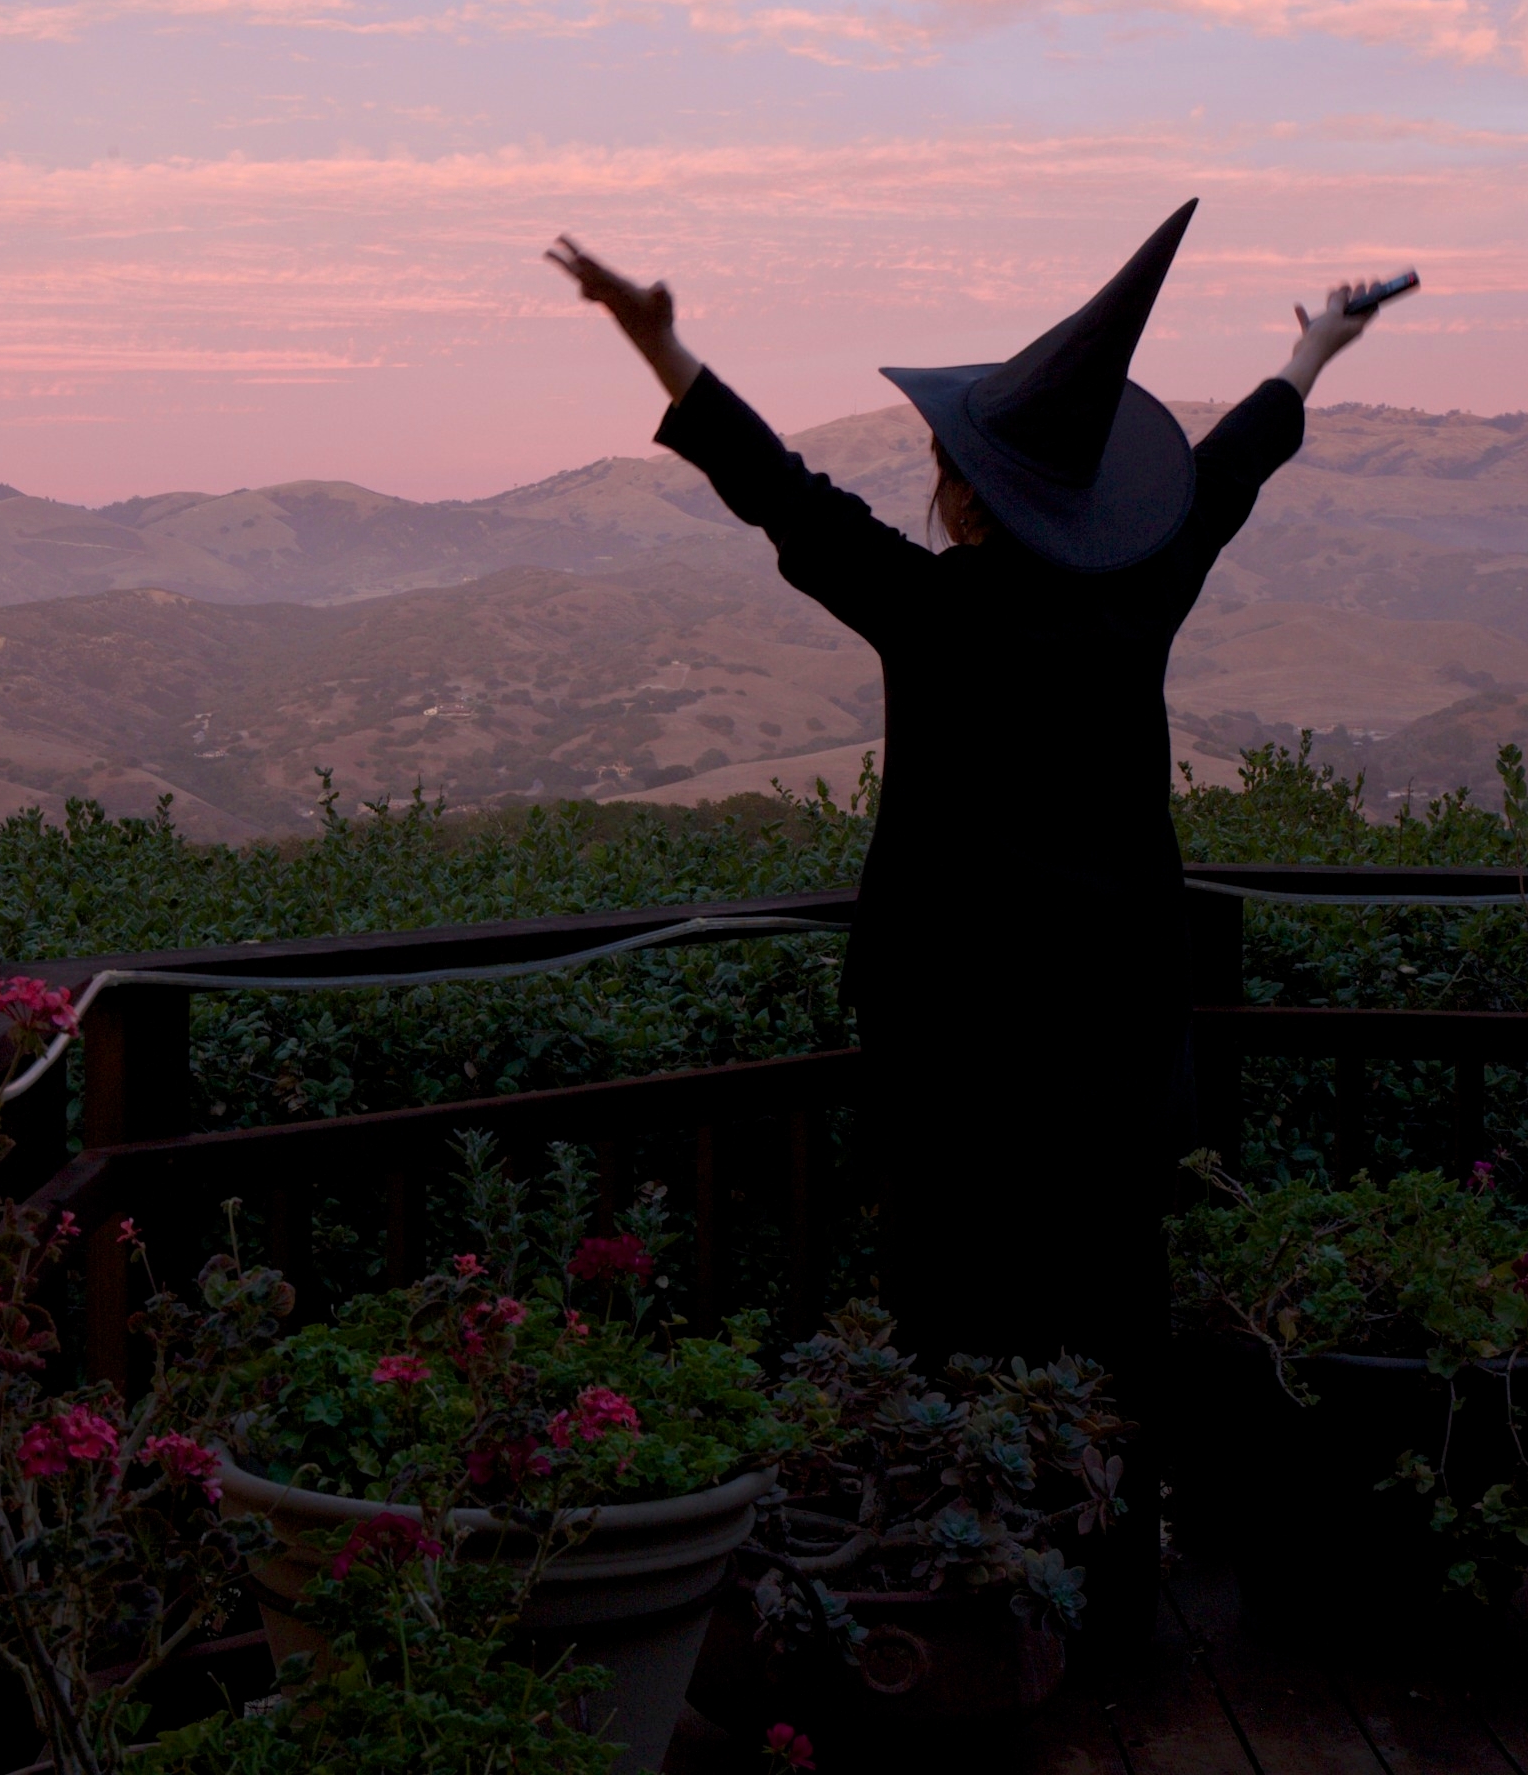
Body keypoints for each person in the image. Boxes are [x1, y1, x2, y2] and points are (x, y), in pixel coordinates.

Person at [549, 201, 1386, 1656]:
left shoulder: (932, 613)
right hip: (1118, 1033)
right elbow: (1232, 473)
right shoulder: (1141, 598)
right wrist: (1312, 351)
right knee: (1113, 1306)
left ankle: (973, 1599)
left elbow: (783, 495)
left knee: (953, 1305)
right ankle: (1109, 1603)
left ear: (961, 493)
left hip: (953, 1038)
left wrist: (659, 342)